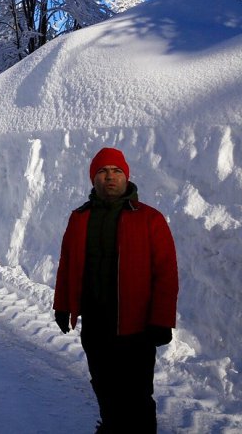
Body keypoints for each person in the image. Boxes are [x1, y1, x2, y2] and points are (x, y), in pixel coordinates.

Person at [53, 147, 179, 433]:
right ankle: (111, 427)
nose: (110, 177)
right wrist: (62, 305)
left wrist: (162, 320)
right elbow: (67, 265)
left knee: (137, 396)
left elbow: (166, 274)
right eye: (102, 171)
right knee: (103, 385)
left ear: (126, 177)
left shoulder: (149, 218)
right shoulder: (79, 217)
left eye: (116, 171)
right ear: (93, 178)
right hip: (95, 324)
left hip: (136, 328)